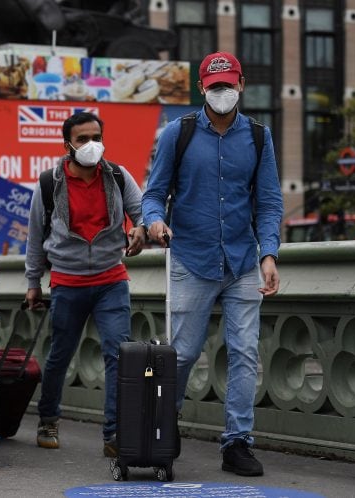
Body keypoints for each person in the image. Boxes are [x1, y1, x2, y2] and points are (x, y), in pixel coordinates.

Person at [142, 52, 284, 477]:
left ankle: (237, 443)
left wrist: (269, 254)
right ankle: (165, 431)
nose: (222, 93)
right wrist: (153, 221)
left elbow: (270, 201)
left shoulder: (259, 137)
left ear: (241, 86)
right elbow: (153, 194)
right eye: (214, 86)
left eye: (229, 85)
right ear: (202, 87)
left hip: (242, 261)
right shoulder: (177, 133)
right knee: (182, 356)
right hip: (191, 258)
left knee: (244, 355)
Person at [24, 111, 147, 456]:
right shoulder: (49, 183)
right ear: (68, 145)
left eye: (96, 137)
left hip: (111, 279)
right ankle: (48, 419)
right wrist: (33, 282)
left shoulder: (119, 177)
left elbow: (142, 212)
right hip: (67, 281)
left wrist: (140, 227)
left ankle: (114, 434)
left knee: (118, 356)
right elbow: (35, 238)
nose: (92, 145)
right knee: (59, 356)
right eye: (83, 139)